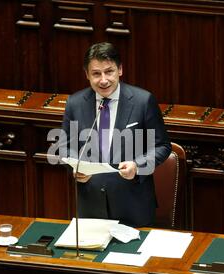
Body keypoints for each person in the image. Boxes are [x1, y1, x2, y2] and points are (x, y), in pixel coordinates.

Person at [60, 42, 171, 227]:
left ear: (120, 70)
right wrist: (76, 166)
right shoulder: (75, 103)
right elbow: (64, 147)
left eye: (109, 71)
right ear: (87, 74)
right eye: (96, 73)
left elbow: (162, 146)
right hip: (91, 208)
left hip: (133, 208)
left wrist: (137, 166)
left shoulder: (143, 101)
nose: (103, 80)